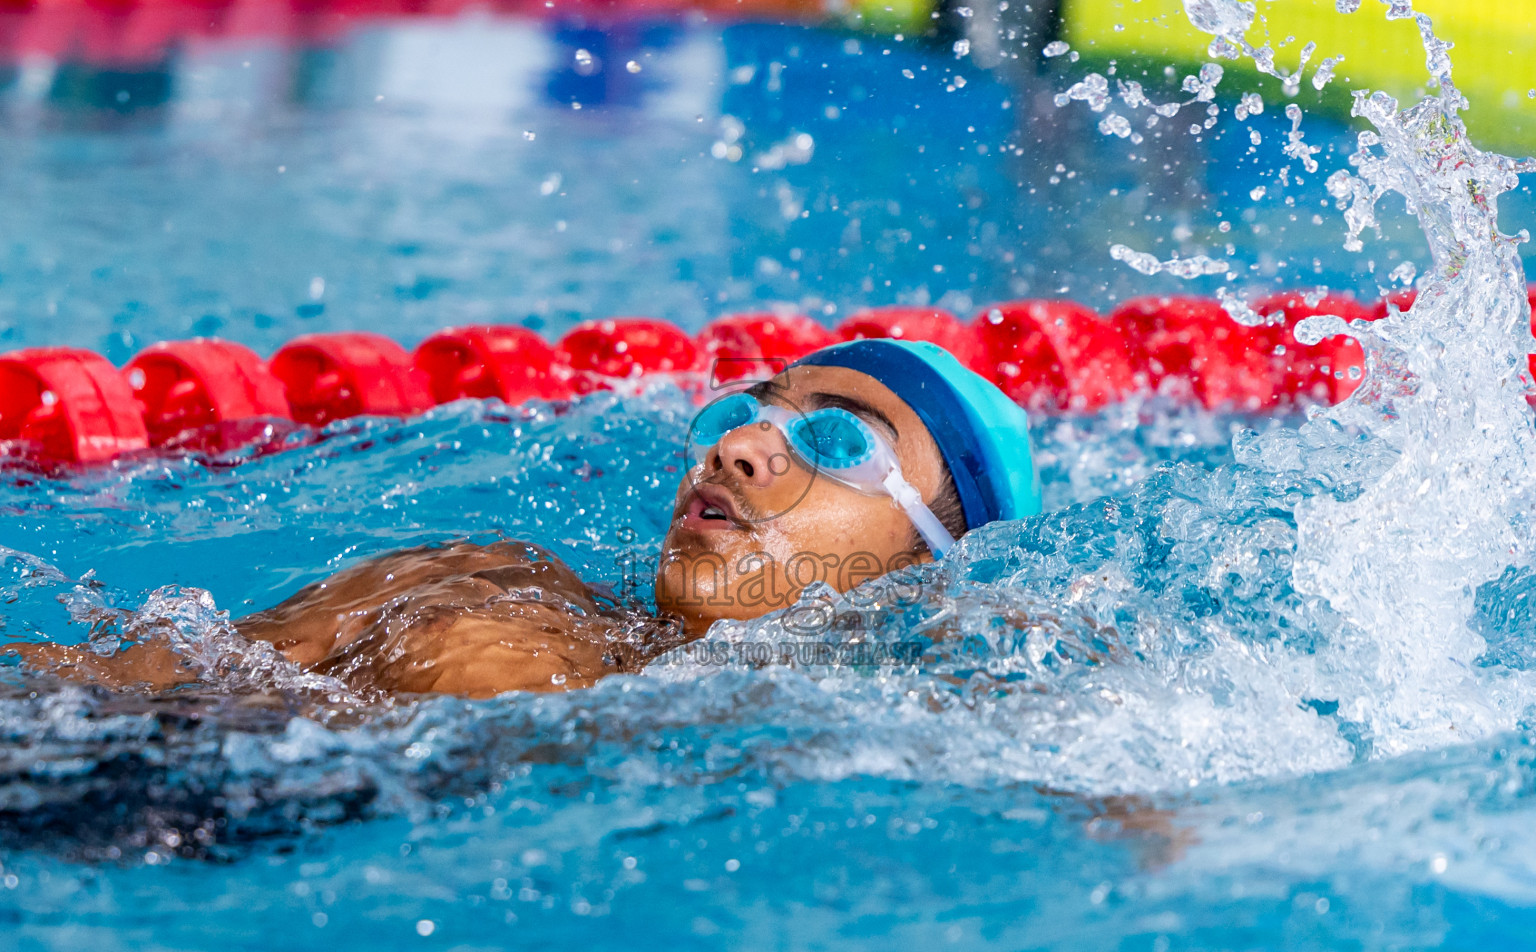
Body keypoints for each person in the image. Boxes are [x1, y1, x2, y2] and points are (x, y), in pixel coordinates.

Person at [8, 339, 1041, 699]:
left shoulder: (812, 733)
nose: (739, 446)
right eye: (750, 412)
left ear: (935, 565)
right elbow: (124, 674)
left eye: (840, 441)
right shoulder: (492, 568)